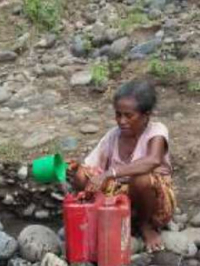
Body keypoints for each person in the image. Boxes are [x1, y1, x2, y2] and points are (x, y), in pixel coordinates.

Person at [70, 80, 176, 252]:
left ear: (145, 115)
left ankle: (146, 226)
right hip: (118, 198)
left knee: (141, 179)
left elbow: (153, 160)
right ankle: (104, 219)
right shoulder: (113, 136)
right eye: (118, 115)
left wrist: (110, 173)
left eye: (128, 115)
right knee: (82, 175)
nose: (121, 121)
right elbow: (90, 166)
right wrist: (77, 169)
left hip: (153, 203)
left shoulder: (156, 131)